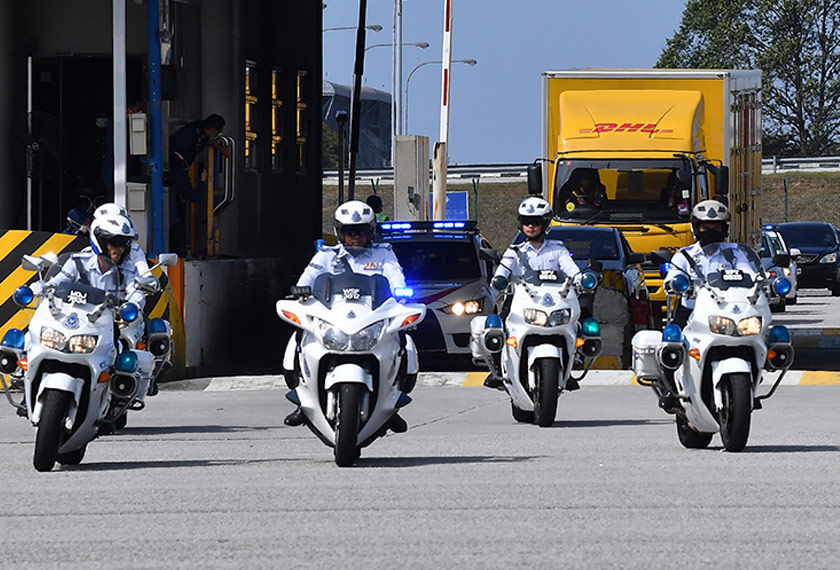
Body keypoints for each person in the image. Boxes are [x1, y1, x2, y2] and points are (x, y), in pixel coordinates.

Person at [284, 200, 408, 429]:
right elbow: (308, 277)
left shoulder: (384, 253)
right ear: (339, 233)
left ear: (370, 232)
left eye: (361, 232)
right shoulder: (327, 255)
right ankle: (303, 402)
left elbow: (395, 276)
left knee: (403, 341)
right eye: (350, 232)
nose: (356, 238)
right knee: (299, 337)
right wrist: (301, 289)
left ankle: (392, 405)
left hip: (371, 318)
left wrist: (401, 294)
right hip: (334, 318)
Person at [484, 196, 581, 390]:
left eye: (535, 222)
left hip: (554, 301)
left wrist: (580, 278)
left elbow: (572, 270)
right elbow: (502, 272)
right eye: (526, 222)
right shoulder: (514, 251)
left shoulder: (557, 250)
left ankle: (571, 365)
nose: (530, 226)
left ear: (544, 224)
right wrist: (499, 280)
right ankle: (497, 370)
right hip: (521, 301)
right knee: (497, 326)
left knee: (579, 323)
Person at [664, 199, 758, 328]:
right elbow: (670, 281)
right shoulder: (684, 256)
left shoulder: (734, 253)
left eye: (716, 228)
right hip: (693, 312)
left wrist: (761, 282)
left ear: (724, 229)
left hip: (730, 311)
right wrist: (677, 283)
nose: (710, 232)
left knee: (764, 336)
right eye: (705, 227)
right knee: (672, 338)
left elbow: (750, 274)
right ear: (696, 228)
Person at [168, 113, 231, 255]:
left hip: (178, 170)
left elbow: (206, 141)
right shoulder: (191, 134)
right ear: (213, 130)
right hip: (176, 171)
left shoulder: (198, 129)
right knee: (193, 198)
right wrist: (203, 181)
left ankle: (181, 247)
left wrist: (221, 149)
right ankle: (180, 248)